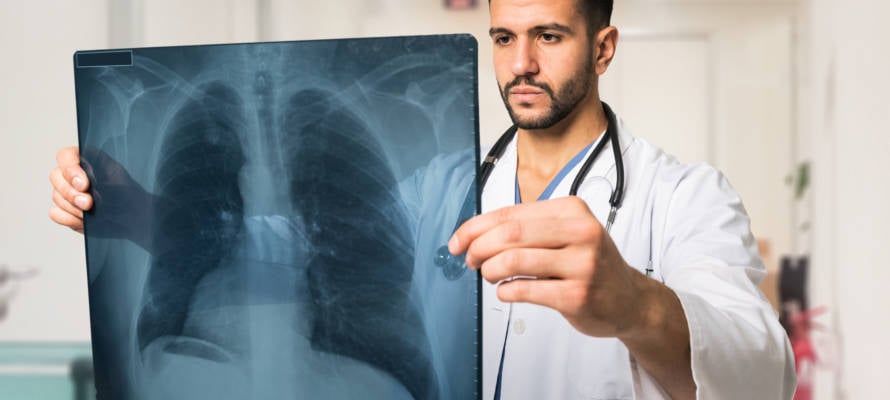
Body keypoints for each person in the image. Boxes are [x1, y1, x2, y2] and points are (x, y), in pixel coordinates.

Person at [50, 0, 797, 398]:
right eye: (504, 38)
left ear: (602, 47)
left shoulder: (685, 197)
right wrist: (146, 214)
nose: (522, 64)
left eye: (549, 36)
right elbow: (302, 241)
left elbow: (764, 374)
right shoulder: (442, 186)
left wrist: (634, 304)